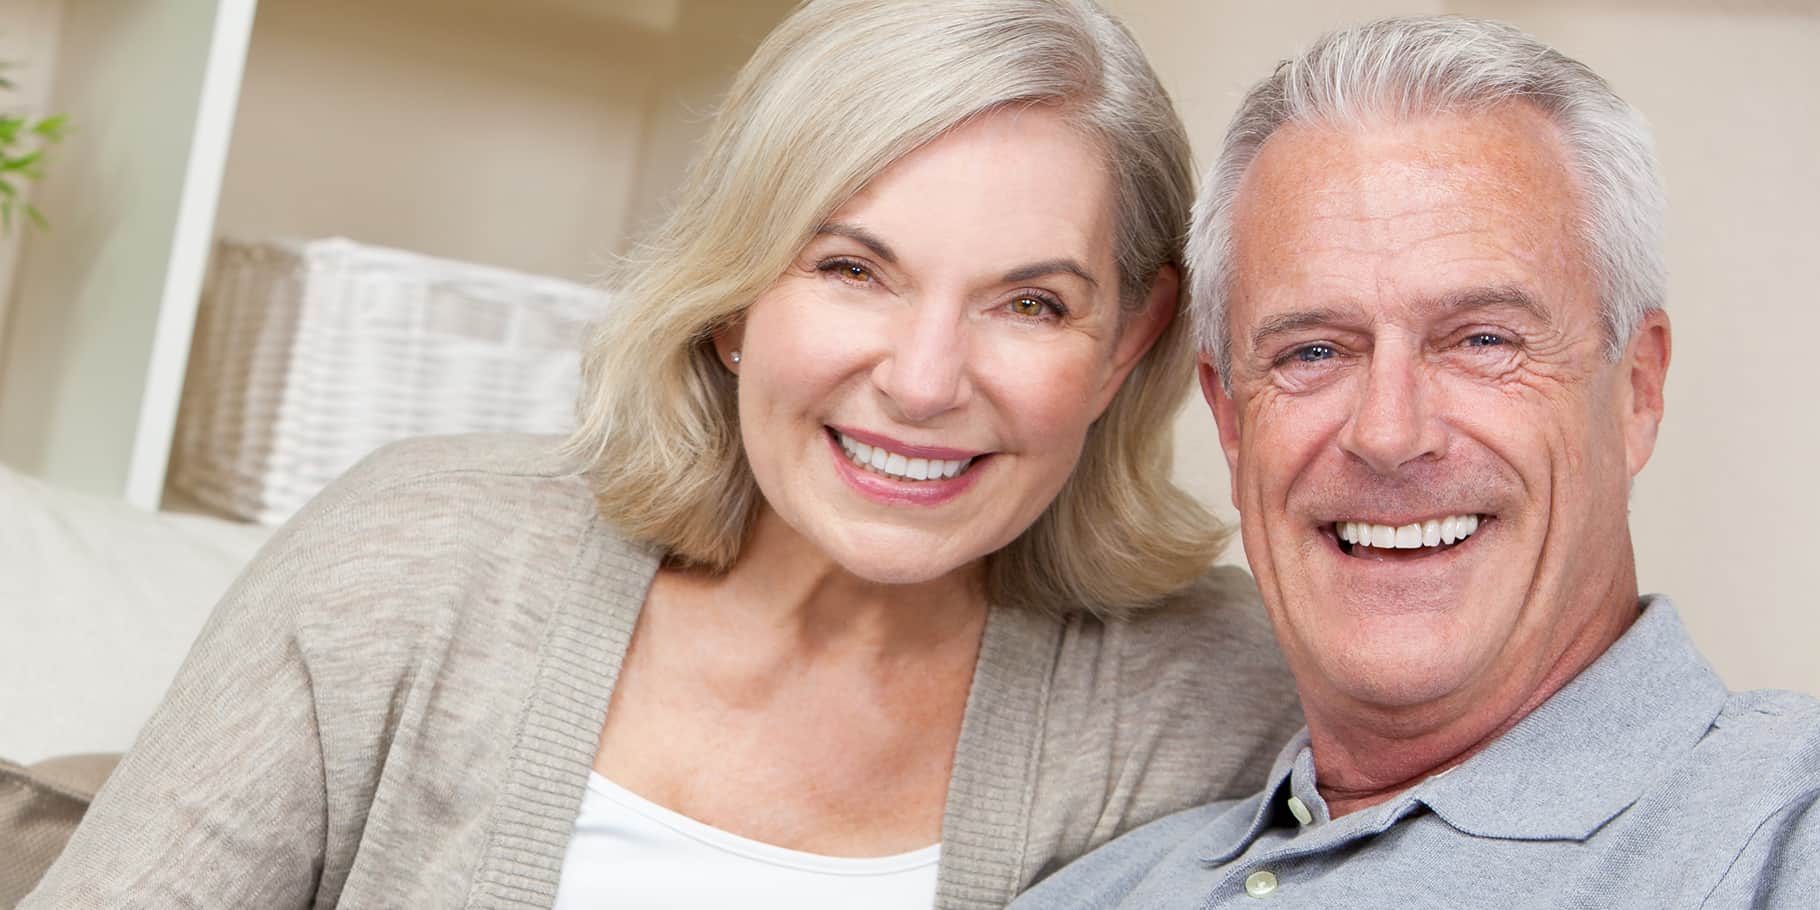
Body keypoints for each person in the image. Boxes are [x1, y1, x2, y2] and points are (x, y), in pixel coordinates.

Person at [23, 1, 1304, 908]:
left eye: (1029, 302)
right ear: (733, 296)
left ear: (1128, 339)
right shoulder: (412, 559)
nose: (922, 381)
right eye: (850, 269)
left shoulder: (1216, 696)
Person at [1012, 15, 1820, 909]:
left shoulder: (1784, 834)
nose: (1389, 433)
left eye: (1482, 339)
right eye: (1314, 351)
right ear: (1230, 419)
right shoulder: (1090, 894)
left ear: (1637, 390)